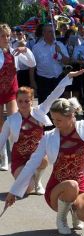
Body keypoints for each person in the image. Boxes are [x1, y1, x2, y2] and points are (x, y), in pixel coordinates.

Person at [4, 65, 84, 235]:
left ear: (71, 116)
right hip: (56, 189)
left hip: (80, 184)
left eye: (58, 120)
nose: (54, 124)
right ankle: (61, 217)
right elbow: (32, 164)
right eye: (53, 119)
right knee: (70, 185)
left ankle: (75, 212)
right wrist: (14, 191)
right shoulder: (49, 137)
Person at [0, 70, 84, 195]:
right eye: (20, 101)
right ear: (16, 101)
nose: (23, 104)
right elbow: (1, 141)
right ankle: (30, 181)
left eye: (27, 101)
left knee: (43, 161)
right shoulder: (11, 120)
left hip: (37, 155)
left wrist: (67, 78)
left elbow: (54, 95)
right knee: (26, 190)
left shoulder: (39, 111)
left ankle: (38, 180)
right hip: (20, 159)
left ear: (32, 100)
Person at [0, 23, 36, 171]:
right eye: (2, 35)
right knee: (0, 125)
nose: (6, 38)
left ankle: (16, 153)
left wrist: (25, 50)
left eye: (8, 35)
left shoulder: (14, 52)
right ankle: (3, 156)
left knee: (14, 122)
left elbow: (32, 63)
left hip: (11, 91)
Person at [32, 24, 69, 104]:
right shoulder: (36, 48)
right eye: (49, 32)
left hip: (58, 79)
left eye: (53, 32)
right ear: (44, 33)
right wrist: (32, 81)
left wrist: (60, 52)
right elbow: (32, 66)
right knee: (44, 106)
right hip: (43, 81)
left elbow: (67, 61)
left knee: (59, 105)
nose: (52, 34)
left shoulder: (59, 45)